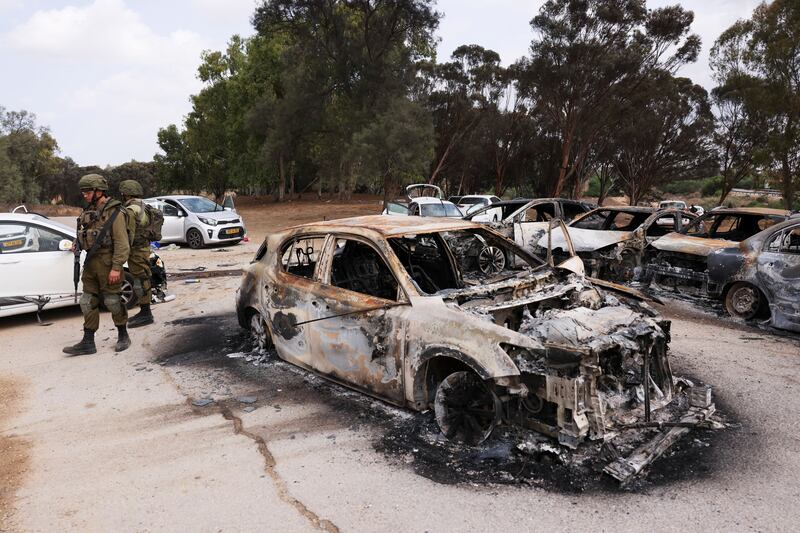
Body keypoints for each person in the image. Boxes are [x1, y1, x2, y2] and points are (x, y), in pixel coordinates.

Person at [63, 174, 131, 355]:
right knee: (87, 301)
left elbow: (122, 244)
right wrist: (78, 244)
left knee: (113, 301)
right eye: (83, 192)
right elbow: (84, 234)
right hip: (91, 263)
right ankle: (88, 341)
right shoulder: (88, 211)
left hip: (108, 263)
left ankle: (123, 335)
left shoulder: (115, 212)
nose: (84, 195)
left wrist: (117, 267)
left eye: (87, 192)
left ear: (99, 191)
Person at [119, 179, 154, 328]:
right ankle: (145, 311)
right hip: (144, 248)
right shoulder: (144, 206)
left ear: (126, 193)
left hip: (136, 250)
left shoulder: (131, 209)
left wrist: (121, 252)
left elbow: (129, 234)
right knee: (143, 278)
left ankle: (146, 314)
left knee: (140, 280)